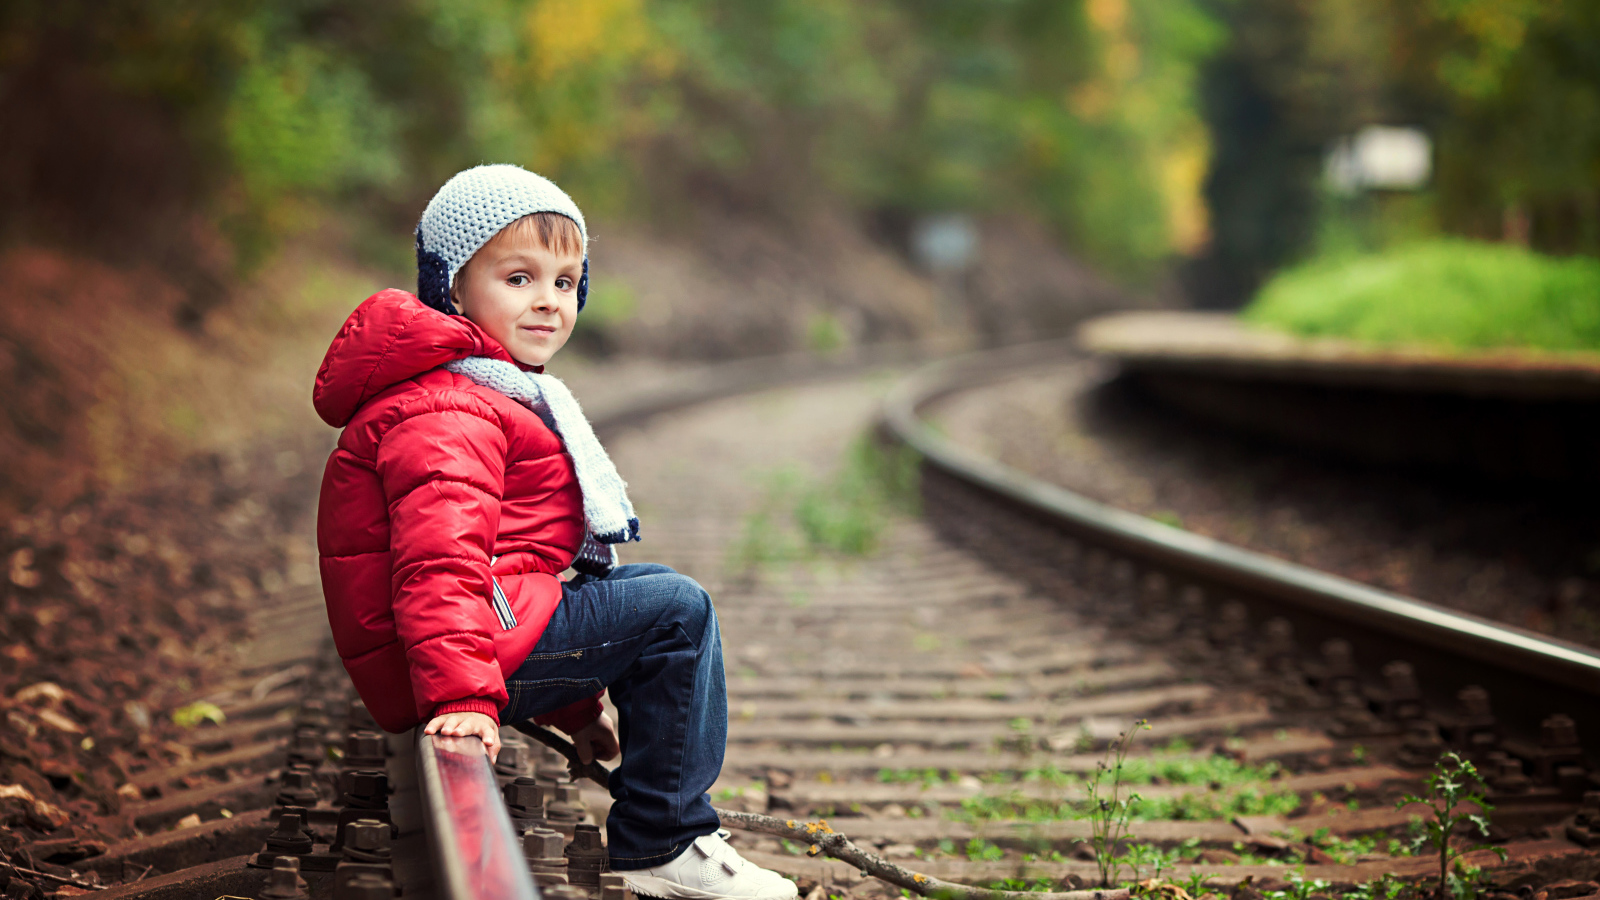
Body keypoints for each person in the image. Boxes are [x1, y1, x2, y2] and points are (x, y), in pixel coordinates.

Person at [313, 164, 796, 900]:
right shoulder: (451, 409)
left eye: (566, 282)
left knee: (637, 590)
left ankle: (661, 826)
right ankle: (664, 842)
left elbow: (514, 574)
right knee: (676, 609)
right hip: (444, 656)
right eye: (518, 278)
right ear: (451, 286)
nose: (549, 302)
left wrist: (577, 705)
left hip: (467, 637)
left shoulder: (476, 387)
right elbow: (440, 567)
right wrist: (462, 700)